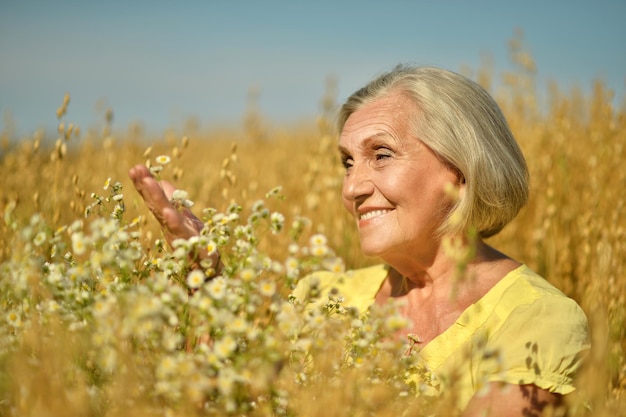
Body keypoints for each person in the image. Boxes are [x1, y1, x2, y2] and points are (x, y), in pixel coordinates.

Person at [129, 65, 590, 416]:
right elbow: (215, 397)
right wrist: (204, 278)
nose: (352, 188)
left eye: (381, 155)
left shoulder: (539, 321)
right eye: (348, 162)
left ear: (462, 169)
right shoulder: (321, 297)